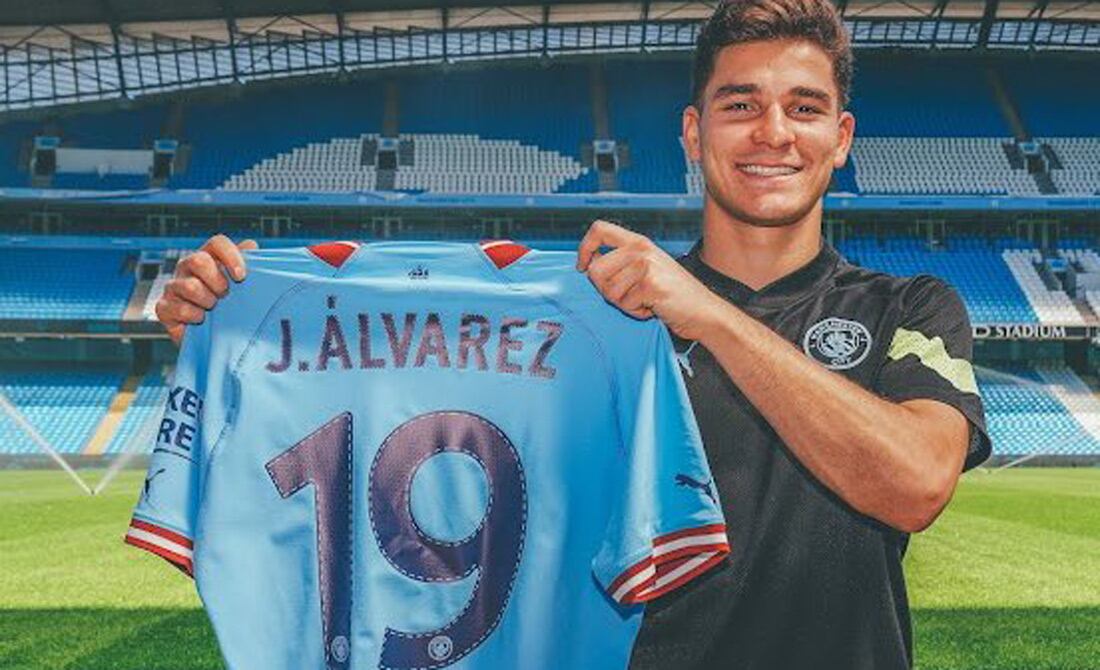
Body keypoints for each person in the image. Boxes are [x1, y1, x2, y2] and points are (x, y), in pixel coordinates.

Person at [156, 1, 990, 667]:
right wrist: (237, 331)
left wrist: (708, 316)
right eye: (741, 106)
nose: (774, 133)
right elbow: (423, 405)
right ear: (694, 135)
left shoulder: (911, 307)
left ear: (840, 139)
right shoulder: (603, 316)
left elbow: (914, 484)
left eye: (805, 109)